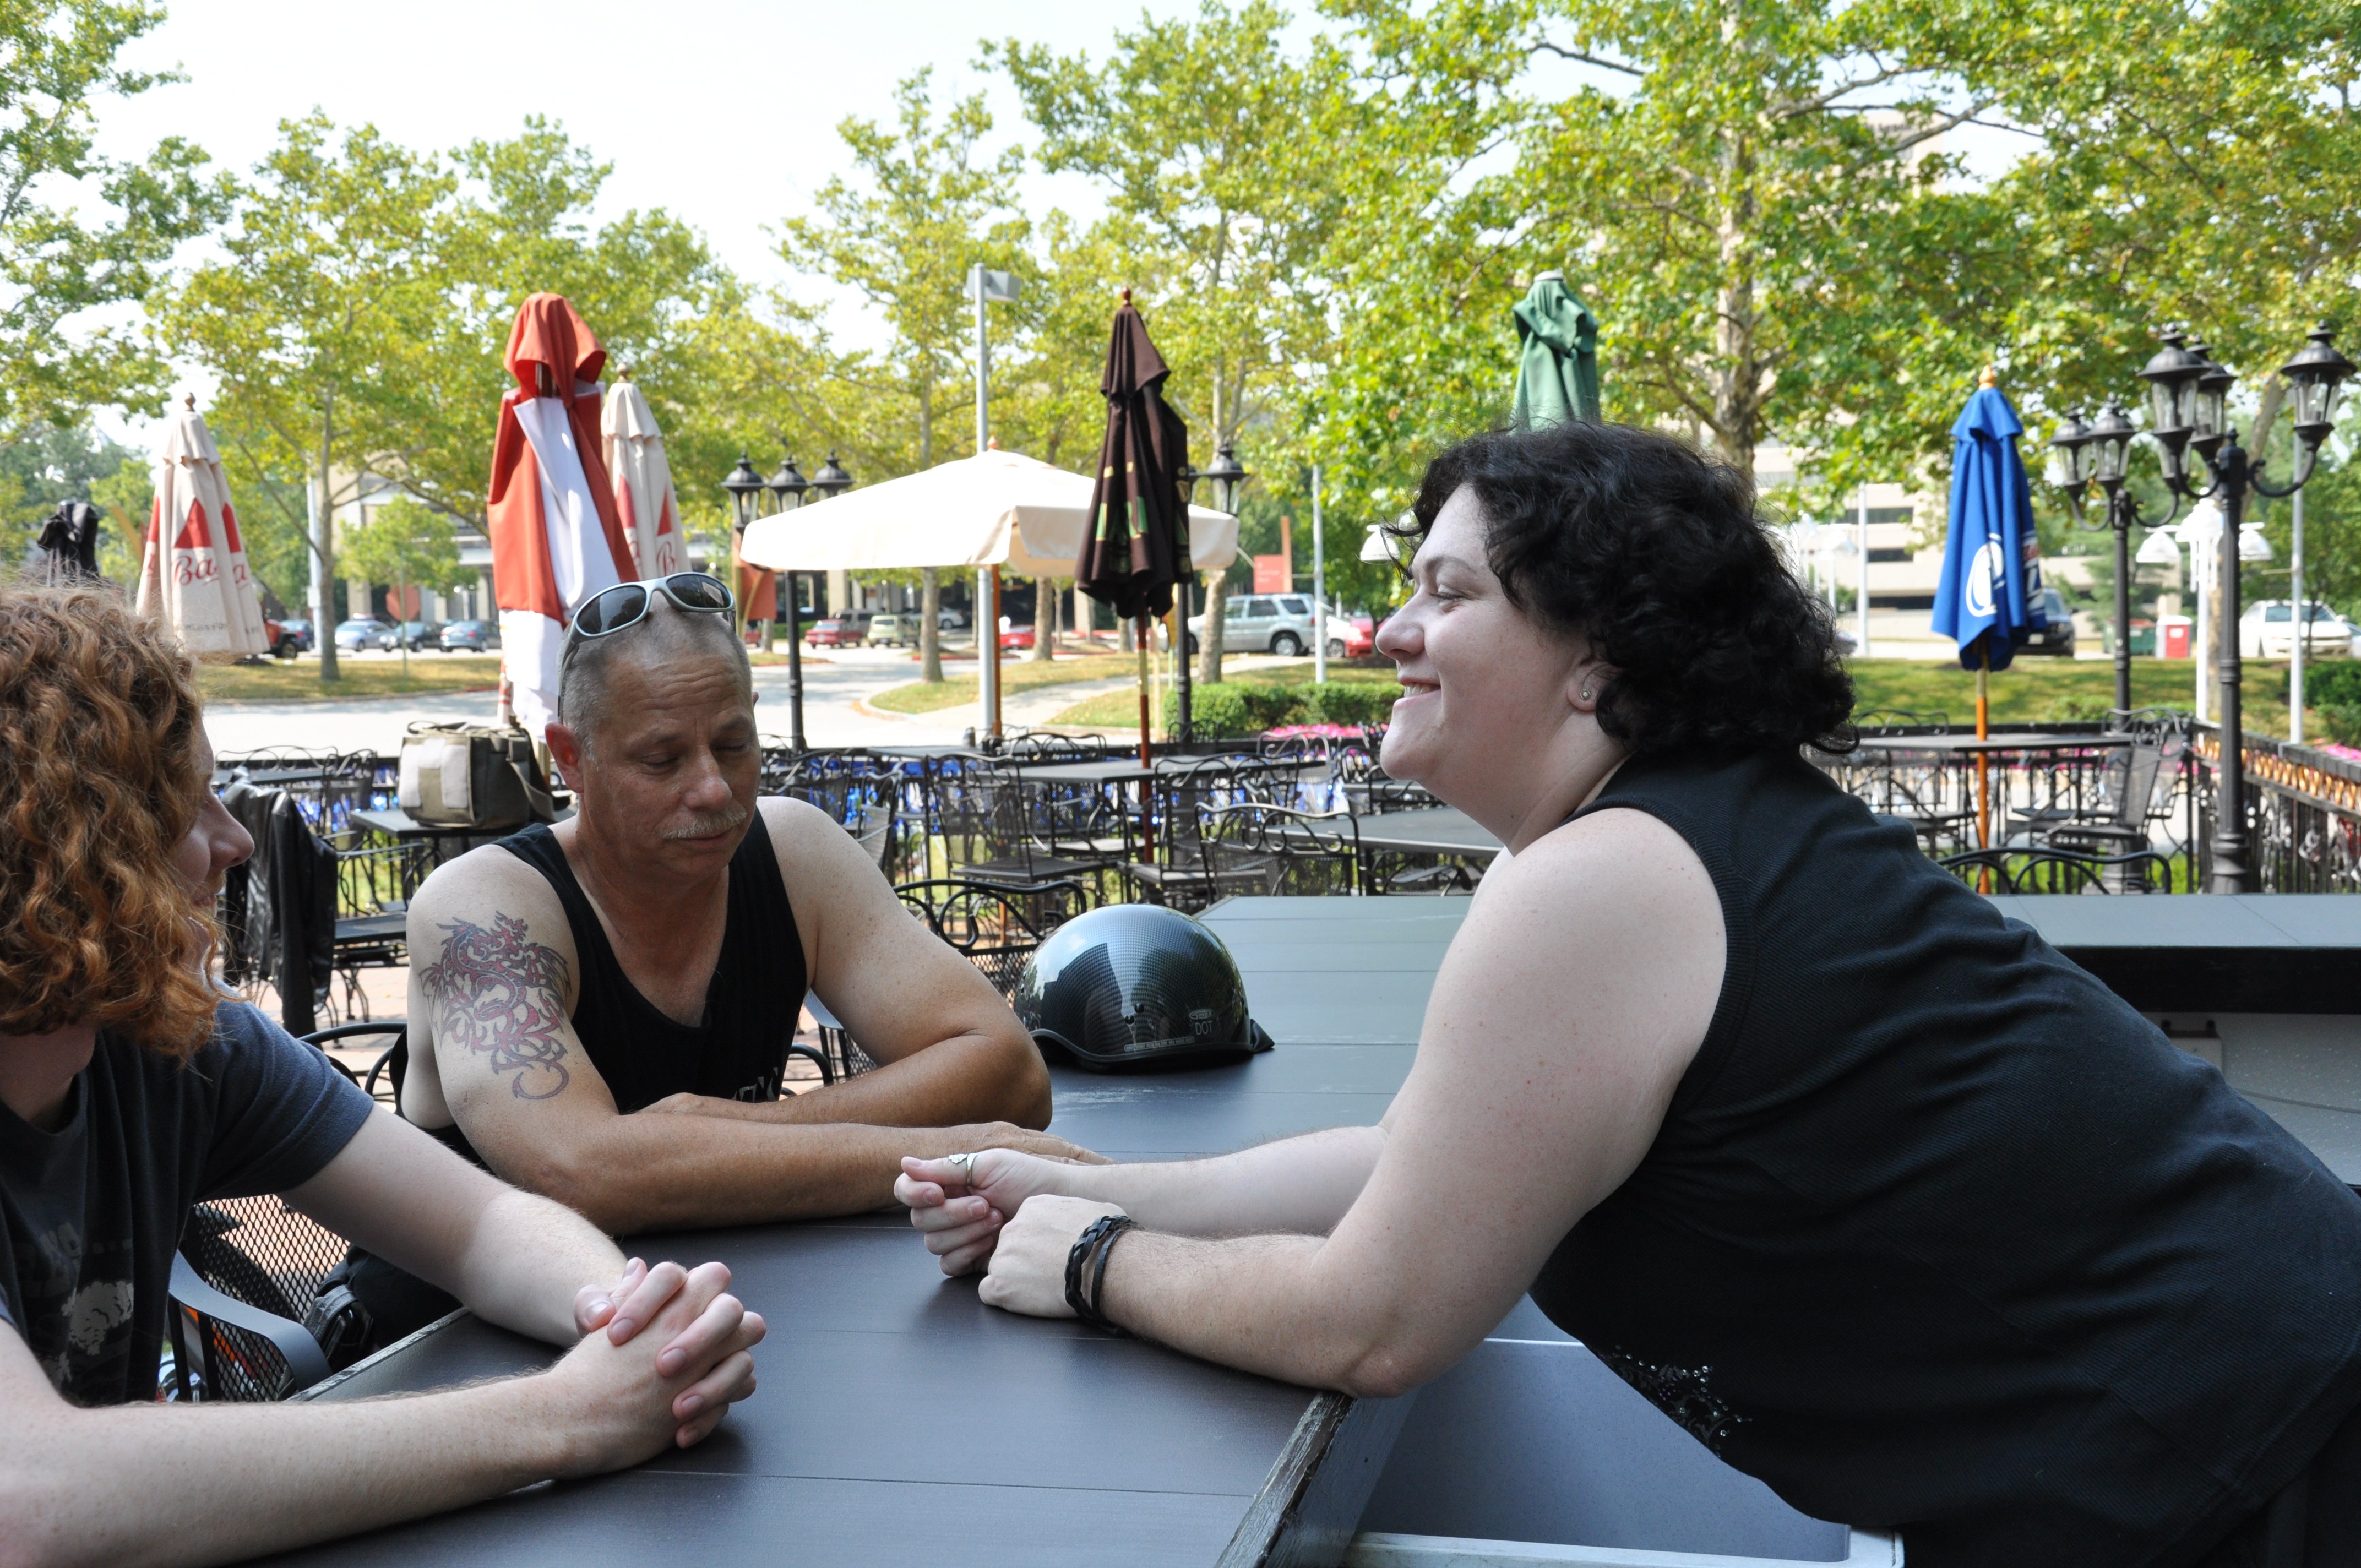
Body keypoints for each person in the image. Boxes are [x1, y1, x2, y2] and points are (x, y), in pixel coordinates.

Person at [897, 421, 2361, 1567]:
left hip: (2267, 1472)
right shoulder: (1657, 835)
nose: (1388, 632)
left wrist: (1093, 1263)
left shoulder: (1608, 878)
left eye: (1447, 593)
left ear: (1597, 659)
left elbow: (1377, 1318)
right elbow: (1415, 1163)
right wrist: (1084, 1184)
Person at [0, 581, 763, 1565]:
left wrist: (630, 1321)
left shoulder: (182, 1045)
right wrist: (564, 1417)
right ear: (59, 856)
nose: (236, 842)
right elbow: (30, 1496)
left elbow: (482, 1225)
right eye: (186, 809)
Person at [398, 573, 1088, 1256]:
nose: (713, 788)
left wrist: (727, 1126)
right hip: (448, 1315)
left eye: (733, 745)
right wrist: (966, 1152)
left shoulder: (793, 851)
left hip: (728, 1291)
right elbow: (579, 1172)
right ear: (571, 758)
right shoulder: (482, 911)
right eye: (662, 759)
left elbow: (1010, 1073)